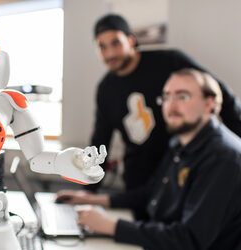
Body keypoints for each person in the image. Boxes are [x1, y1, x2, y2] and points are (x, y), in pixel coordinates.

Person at [69, 14, 241, 219]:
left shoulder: (169, 62)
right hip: (139, 182)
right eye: (102, 46)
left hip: (179, 171)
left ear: (131, 40)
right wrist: (90, 192)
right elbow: (100, 142)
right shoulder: (106, 88)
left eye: (115, 43)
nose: (110, 52)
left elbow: (220, 95)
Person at [58, 68, 241, 250]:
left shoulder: (223, 157)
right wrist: (95, 200)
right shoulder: (181, 141)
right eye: (166, 97)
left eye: (182, 97)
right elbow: (151, 194)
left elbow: (189, 239)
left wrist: (111, 226)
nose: (171, 106)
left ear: (209, 103)